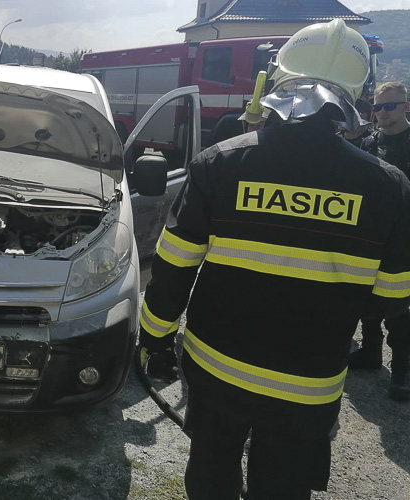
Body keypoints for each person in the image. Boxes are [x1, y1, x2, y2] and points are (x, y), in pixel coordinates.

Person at [136, 20, 410, 500]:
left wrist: (154, 339)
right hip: (310, 385)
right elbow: (394, 296)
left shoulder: (220, 163)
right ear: (356, 93)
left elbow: (174, 264)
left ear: (275, 81)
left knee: (210, 477)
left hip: (216, 370)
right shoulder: (389, 187)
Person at [350, 82, 410, 401]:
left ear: (405, 106)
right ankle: (370, 353)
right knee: (366, 298)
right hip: (371, 235)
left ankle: (402, 370)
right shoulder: (371, 141)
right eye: (377, 107)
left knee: (398, 308)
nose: (382, 113)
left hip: (403, 240)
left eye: (389, 106)